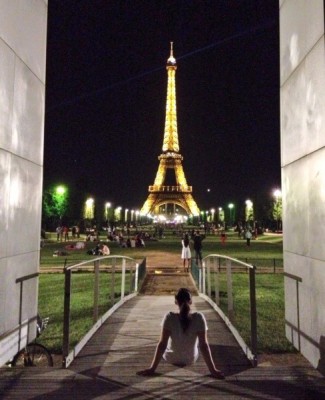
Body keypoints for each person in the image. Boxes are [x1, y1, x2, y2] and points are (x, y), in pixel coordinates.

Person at [137, 288, 225, 379]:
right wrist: (213, 370)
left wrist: (152, 368)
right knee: (198, 346)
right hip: (190, 359)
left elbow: (162, 344)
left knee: (164, 345)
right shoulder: (199, 318)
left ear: (176, 301)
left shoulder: (169, 317)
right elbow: (204, 345)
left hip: (171, 358)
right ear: (190, 301)